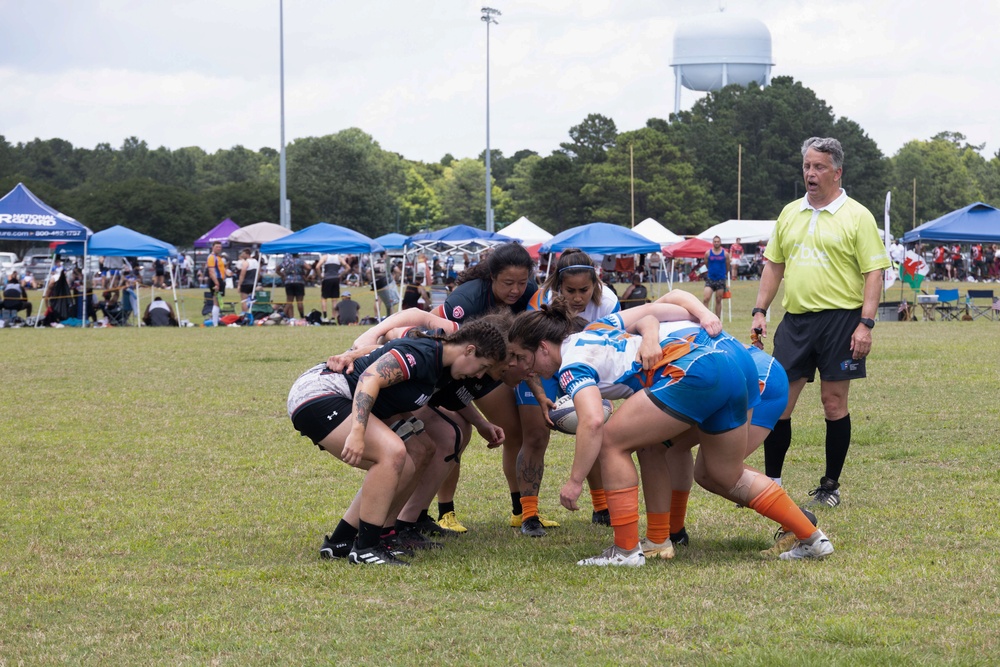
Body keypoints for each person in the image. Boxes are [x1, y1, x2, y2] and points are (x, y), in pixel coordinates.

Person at [508, 298, 832, 566]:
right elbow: (658, 311)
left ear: (543, 347)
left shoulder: (570, 366)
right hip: (736, 361)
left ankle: (624, 551)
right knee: (722, 473)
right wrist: (698, 317)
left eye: (524, 358)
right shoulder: (599, 327)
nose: (527, 370)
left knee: (611, 442)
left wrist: (575, 480)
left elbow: (593, 421)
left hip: (693, 369)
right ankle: (811, 539)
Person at [289, 318, 507, 565]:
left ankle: (344, 540)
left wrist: (481, 423)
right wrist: (357, 432)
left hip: (349, 397)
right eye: (482, 366)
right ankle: (365, 548)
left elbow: (393, 344)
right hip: (320, 392)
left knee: (417, 453)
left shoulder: (444, 365)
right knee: (392, 453)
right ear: (469, 350)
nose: (479, 374)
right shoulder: (425, 354)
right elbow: (370, 377)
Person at [353, 243, 538, 531]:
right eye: (508, 283)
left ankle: (410, 520)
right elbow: (409, 328)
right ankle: (424, 516)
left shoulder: (528, 299)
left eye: (522, 283)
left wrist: (484, 420)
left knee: (465, 432)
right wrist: (367, 340)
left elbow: (457, 386)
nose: (516, 289)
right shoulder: (463, 315)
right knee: (447, 435)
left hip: (455, 373)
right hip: (423, 369)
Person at [751, 136, 891, 508]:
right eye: (807, 167)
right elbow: (774, 265)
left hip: (842, 322)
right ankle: (771, 483)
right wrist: (760, 310)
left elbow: (874, 273)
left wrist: (866, 324)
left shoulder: (857, 215)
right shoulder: (789, 213)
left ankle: (830, 486)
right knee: (777, 401)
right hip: (796, 322)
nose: (811, 174)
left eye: (819, 167)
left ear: (837, 172)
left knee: (833, 404)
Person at [702, 236, 729, 318]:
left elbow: (727, 266)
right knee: (706, 298)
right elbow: (706, 264)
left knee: (718, 300)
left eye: (718, 241)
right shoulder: (708, 253)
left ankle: (717, 319)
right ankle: (705, 317)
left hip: (720, 279)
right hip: (710, 278)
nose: (716, 243)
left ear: (720, 242)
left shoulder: (725, 254)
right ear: (713, 243)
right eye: (715, 241)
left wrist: (724, 275)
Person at [278, 253, 307, 319]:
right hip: (299, 281)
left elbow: (277, 269)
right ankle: (302, 316)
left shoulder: (286, 262)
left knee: (289, 301)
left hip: (288, 281)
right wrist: (305, 276)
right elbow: (308, 267)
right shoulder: (300, 261)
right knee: (299, 301)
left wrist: (283, 275)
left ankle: (283, 316)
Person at [205, 242, 227, 326]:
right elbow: (211, 271)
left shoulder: (219, 257)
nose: (219, 248)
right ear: (213, 247)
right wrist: (216, 283)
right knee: (216, 301)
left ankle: (217, 320)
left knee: (219, 301)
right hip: (215, 281)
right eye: (217, 247)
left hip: (220, 280)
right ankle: (215, 323)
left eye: (220, 247)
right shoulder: (211, 257)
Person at [316, 252, 342, 320]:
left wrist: (320, 276)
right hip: (336, 279)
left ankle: (325, 317)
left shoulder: (325, 257)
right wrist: (341, 275)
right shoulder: (338, 257)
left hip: (327, 278)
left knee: (324, 298)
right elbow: (347, 267)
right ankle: (333, 317)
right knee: (334, 300)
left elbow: (317, 267)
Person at [236, 249, 259, 315]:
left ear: (247, 254)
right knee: (252, 300)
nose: (242, 255)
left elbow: (242, 274)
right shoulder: (256, 262)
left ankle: (245, 315)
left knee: (244, 301)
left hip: (246, 283)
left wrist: (239, 284)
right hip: (253, 283)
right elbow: (258, 273)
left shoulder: (246, 262)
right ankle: (252, 313)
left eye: (243, 254)